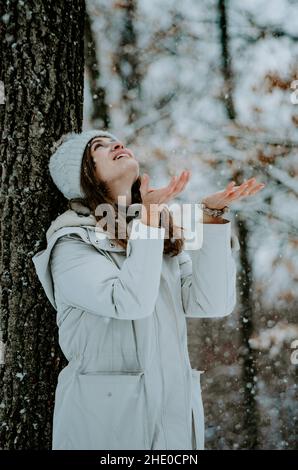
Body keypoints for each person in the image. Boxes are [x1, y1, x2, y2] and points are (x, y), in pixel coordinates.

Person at [32, 129, 265, 450]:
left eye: (114, 140)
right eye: (97, 147)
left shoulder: (155, 231)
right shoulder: (71, 243)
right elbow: (128, 302)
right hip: (107, 429)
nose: (116, 144)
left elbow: (210, 303)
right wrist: (150, 221)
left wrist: (212, 217)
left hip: (174, 424)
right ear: (84, 176)